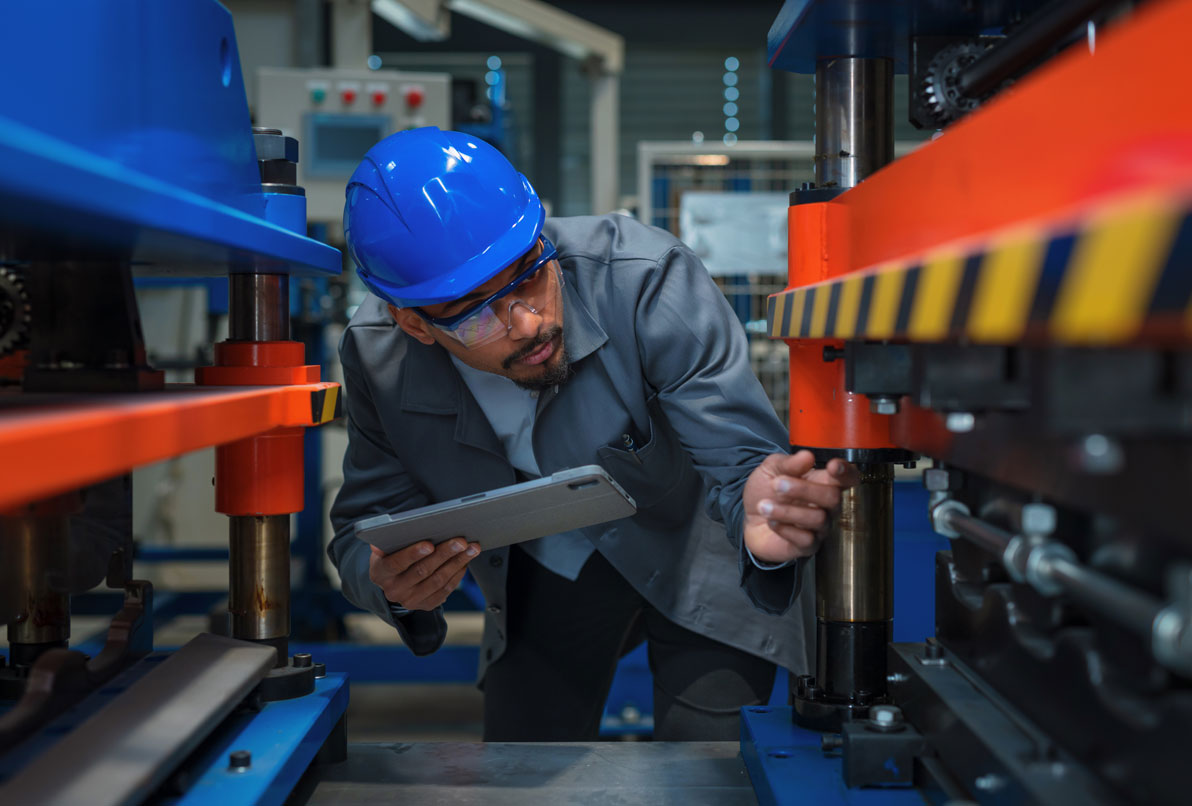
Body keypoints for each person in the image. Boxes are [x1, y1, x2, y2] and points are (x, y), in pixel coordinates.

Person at [328, 127, 858, 741]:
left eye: (527, 274)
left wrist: (760, 511)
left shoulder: (642, 277)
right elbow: (366, 526)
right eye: (475, 311)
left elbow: (739, 458)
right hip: (545, 567)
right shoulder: (377, 358)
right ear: (414, 325)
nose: (528, 323)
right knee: (523, 761)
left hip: (698, 546)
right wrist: (388, 583)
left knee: (710, 774)